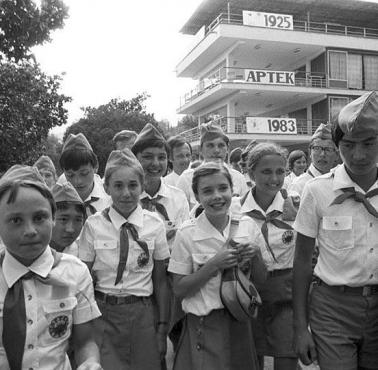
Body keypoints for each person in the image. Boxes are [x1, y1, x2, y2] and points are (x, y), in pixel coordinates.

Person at [293, 91, 378, 370]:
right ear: (337, 146)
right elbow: (302, 262)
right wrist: (300, 328)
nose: (359, 154)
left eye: (369, 143)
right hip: (332, 308)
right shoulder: (317, 191)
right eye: (349, 145)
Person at [169, 162, 269, 370]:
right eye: (207, 191)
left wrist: (256, 255)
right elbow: (179, 290)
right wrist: (213, 265)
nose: (217, 196)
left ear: (232, 191)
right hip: (204, 324)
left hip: (240, 322)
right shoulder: (187, 234)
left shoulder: (247, 226)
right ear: (196, 197)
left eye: (223, 188)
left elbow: (261, 281)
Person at [0, 164, 101, 370]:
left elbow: (85, 342)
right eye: (16, 220)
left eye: (39, 218)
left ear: (53, 218)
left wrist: (90, 362)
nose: (30, 231)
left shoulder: (75, 272)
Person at [79, 149, 170, 370]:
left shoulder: (155, 225)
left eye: (133, 185)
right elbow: (84, 280)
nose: (126, 193)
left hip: (142, 314)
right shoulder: (93, 225)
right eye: (118, 186)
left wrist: (161, 328)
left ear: (142, 186)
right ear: (107, 187)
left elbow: (160, 282)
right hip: (103, 313)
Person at [237, 143, 299, 370]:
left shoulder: (295, 206)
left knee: (286, 357)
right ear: (251, 173)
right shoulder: (235, 209)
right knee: (251, 358)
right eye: (266, 171)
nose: (274, 178)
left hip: (285, 295)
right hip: (247, 293)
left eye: (280, 171)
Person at [132, 123, 189, 250]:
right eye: (148, 157)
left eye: (162, 157)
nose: (156, 163)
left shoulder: (178, 198)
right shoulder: (125, 199)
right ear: (134, 159)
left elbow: (186, 241)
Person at [177, 123, 249, 210]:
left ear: (227, 149)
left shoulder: (238, 178)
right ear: (201, 149)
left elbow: (245, 211)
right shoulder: (187, 179)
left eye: (221, 145)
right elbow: (180, 215)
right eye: (210, 145)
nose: (216, 150)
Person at [58, 133, 110, 217]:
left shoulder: (109, 198)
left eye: (84, 173)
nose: (77, 181)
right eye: (70, 175)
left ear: (96, 167)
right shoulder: (57, 201)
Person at [289, 123, 338, 196]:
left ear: (336, 155)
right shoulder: (299, 185)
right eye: (317, 148)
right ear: (310, 153)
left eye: (328, 149)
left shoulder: (339, 182)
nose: (322, 154)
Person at [50, 182, 85, 257]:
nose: (70, 229)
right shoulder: (27, 254)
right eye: (63, 219)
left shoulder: (84, 253)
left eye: (78, 220)